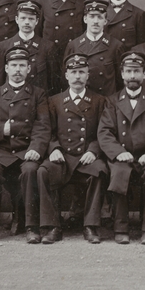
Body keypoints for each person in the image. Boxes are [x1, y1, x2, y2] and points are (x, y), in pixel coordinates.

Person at [0, 47, 50, 244]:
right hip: (1, 150)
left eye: (22, 66)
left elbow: (43, 126)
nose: (18, 70)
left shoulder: (38, 94)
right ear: (6, 68)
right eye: (14, 65)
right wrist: (2, 131)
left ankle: (31, 227)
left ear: (29, 69)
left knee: (31, 171)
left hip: (27, 149)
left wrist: (35, 148)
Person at [98, 52, 145, 245]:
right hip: (123, 155)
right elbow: (105, 132)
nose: (132, 76)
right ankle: (120, 228)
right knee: (119, 171)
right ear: (122, 74)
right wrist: (119, 152)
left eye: (136, 71)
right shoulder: (112, 101)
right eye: (128, 71)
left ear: (144, 74)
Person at [38, 54, 109, 243]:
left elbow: (104, 132)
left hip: (86, 155)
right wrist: (53, 148)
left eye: (81, 72)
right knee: (44, 171)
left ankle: (91, 226)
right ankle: (53, 226)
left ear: (88, 76)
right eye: (73, 72)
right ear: (66, 75)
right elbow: (47, 130)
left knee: (99, 171)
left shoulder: (99, 101)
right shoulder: (54, 101)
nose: (77, 76)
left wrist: (93, 151)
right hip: (63, 155)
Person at [63, 0, 124, 97]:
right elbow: (66, 78)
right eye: (91, 16)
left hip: (106, 101)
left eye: (100, 17)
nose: (95, 21)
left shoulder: (115, 46)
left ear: (105, 21)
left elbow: (120, 81)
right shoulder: (74, 45)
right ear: (85, 19)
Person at [0, 0, 55, 92]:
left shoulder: (47, 47)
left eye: (31, 19)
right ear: (16, 19)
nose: (27, 22)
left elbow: (53, 82)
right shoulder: (3, 46)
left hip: (38, 101)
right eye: (23, 18)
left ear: (37, 21)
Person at [37, 0, 87, 65]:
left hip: (73, 59)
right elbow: (38, 35)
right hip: (50, 58)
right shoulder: (43, 3)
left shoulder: (82, 4)